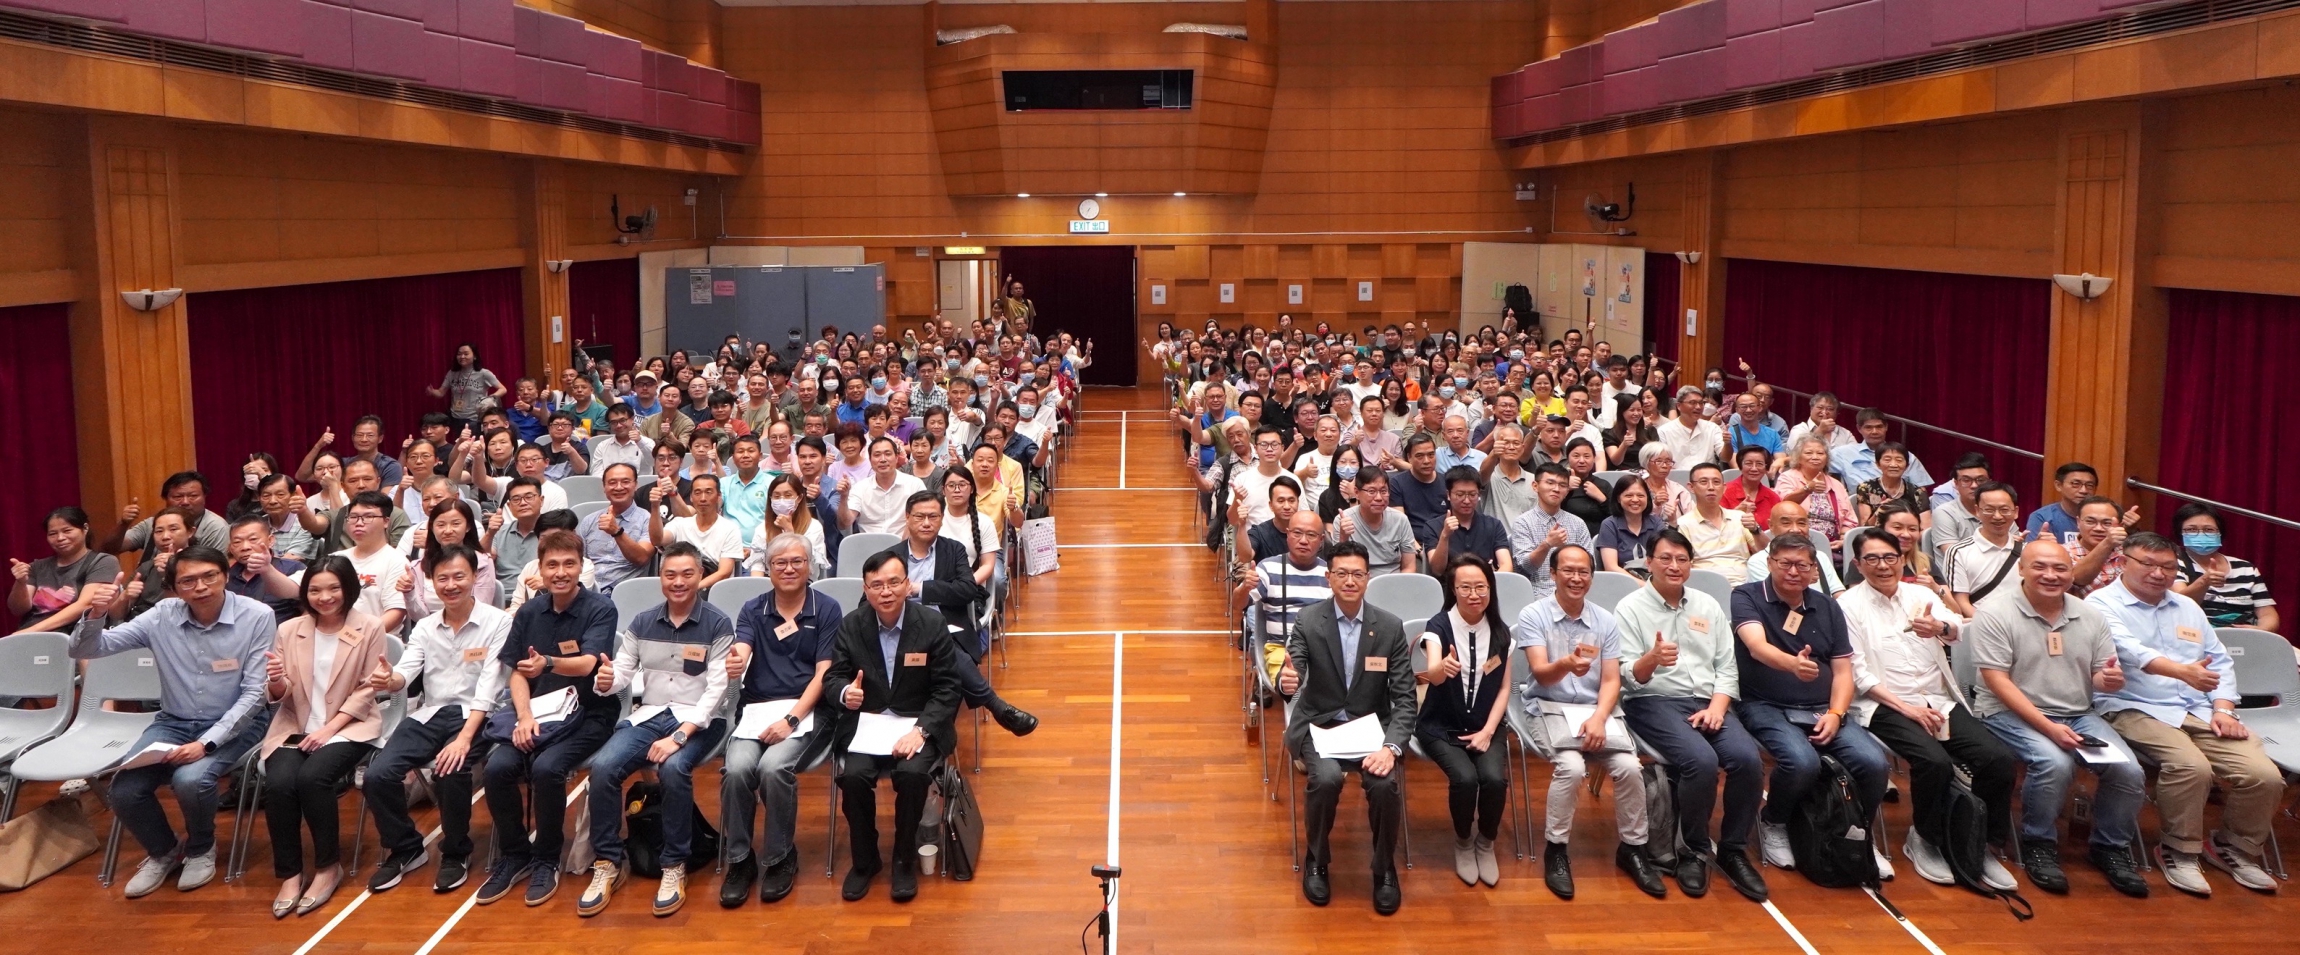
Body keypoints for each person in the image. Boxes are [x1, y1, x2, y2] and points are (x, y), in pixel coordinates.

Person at [67, 545, 272, 898]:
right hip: (175, 722)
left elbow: (255, 692)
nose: (201, 587)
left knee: (190, 779)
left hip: (237, 723)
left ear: (226, 575)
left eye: (210, 576)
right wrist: (96, 614)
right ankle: (165, 851)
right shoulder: (162, 614)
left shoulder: (257, 615)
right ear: (175, 588)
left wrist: (206, 743)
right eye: (188, 581)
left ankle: (201, 848)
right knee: (125, 790)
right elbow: (86, 650)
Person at [2090, 532, 2283, 895]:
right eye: (2148, 564)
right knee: (2191, 767)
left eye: (2167, 567)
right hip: (2134, 705)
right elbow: (2129, 651)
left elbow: (2219, 661)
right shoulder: (2100, 603)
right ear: (2124, 562)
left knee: (2263, 775)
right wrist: (2182, 672)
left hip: (2196, 708)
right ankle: (2179, 851)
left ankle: (2232, 847)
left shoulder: (2186, 606)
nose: (2158, 573)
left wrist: (2224, 709)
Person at [1838, 529, 2019, 889]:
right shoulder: (1848, 606)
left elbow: (1958, 626)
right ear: (1858, 564)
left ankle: (1980, 843)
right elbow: (1857, 674)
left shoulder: (1920, 594)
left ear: (1902, 559)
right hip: (1885, 703)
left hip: (1938, 700)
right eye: (1872, 559)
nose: (1883, 565)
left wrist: (1939, 626)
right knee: (1933, 762)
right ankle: (1924, 838)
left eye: (1890, 557)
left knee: (1998, 759)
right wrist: (1908, 709)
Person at [1970, 539, 2150, 898]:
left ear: (2072, 573)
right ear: (2022, 569)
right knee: (2054, 762)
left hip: (2077, 713)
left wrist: (2109, 680)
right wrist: (2049, 728)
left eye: (2060, 568)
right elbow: (1997, 682)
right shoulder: (1994, 613)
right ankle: (2038, 843)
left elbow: (2100, 675)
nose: (2051, 575)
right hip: (2008, 712)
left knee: (2128, 770)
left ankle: (2110, 847)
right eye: (2040, 567)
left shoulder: (2090, 614)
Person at [578, 544, 734, 918]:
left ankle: (674, 863)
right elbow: (622, 674)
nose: (678, 582)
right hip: (649, 715)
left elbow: (717, 691)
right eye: (670, 574)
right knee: (603, 768)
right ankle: (607, 861)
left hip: (700, 719)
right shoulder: (643, 622)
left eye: (687, 574)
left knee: (673, 769)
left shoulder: (717, 624)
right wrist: (605, 681)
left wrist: (680, 736)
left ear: (700, 576)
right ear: (660, 577)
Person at [1613, 530, 1769, 901]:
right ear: (1648, 563)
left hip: (1708, 701)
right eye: (1665, 558)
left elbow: (1726, 667)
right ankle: (1694, 850)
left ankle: (1732, 849)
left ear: (1691, 564)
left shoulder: (1707, 605)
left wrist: (1717, 707)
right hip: (1653, 700)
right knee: (1700, 761)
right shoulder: (1630, 608)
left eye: (1682, 559)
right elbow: (1627, 676)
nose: (1674, 566)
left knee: (1748, 761)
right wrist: (1652, 659)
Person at [472, 529, 620, 907]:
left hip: (589, 713)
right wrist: (523, 717)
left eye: (569, 564)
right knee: (497, 768)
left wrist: (549, 662)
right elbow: (518, 673)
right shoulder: (529, 611)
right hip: (538, 713)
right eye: (552, 565)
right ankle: (515, 854)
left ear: (581, 567)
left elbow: (587, 664)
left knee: (546, 768)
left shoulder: (600, 608)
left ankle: (547, 858)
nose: (560, 572)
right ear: (539, 569)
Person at [1730, 535, 1893, 878]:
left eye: (1803, 565)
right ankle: (1775, 821)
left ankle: (1858, 833)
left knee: (1874, 764)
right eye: (1786, 563)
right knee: (1801, 762)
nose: (1794, 571)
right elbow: (1756, 646)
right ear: (1770, 562)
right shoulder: (1746, 595)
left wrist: (1836, 713)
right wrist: (1792, 664)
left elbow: (1843, 670)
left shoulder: (1828, 606)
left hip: (1821, 706)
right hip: (1765, 703)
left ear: (1815, 569)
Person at [1516, 545, 1664, 899]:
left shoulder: (1604, 621)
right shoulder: (1533, 614)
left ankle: (1633, 848)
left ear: (1592, 578)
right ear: (1553, 574)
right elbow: (1541, 674)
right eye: (1568, 570)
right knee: (1570, 767)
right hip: (1548, 706)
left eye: (1583, 572)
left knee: (1630, 767)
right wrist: (1565, 665)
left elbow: (1611, 680)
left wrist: (1599, 717)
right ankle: (1556, 849)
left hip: (1595, 712)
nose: (1576, 578)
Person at [1276, 542, 1413, 915]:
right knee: (1326, 779)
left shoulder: (1389, 627)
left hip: (1371, 729)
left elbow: (1405, 699)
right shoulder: (1308, 620)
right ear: (1328, 577)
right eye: (1341, 573)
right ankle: (1317, 860)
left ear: (1368, 578)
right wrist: (1287, 681)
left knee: (1384, 785)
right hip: (1320, 725)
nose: (1349, 581)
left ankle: (1384, 868)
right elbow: (1293, 669)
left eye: (1357, 574)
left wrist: (1391, 748)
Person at [362, 546, 508, 895]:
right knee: (377, 775)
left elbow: (489, 688)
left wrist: (464, 739)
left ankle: (456, 852)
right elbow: (405, 672)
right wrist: (389, 680)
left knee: (450, 769)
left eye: (459, 576)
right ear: (431, 582)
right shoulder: (426, 626)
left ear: (474, 577)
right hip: (431, 712)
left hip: (479, 714)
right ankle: (406, 847)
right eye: (442, 578)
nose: (451, 585)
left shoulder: (498, 622)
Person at [825, 551, 964, 904]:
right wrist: (845, 693)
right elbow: (834, 677)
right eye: (876, 585)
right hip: (868, 725)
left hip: (918, 722)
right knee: (853, 777)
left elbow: (948, 688)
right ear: (865, 589)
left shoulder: (931, 624)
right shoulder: (852, 624)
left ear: (907, 584)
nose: (885, 592)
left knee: (913, 775)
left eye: (893, 583)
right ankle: (865, 861)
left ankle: (904, 858)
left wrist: (921, 731)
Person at [258, 557, 392, 918]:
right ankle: (290, 874)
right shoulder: (290, 629)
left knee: (312, 778)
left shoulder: (369, 627)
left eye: (334, 588)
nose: (325, 596)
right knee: (279, 783)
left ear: (348, 589)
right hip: (294, 725)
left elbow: (369, 688)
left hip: (348, 727)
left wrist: (329, 729)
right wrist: (275, 680)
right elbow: (281, 693)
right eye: (315, 590)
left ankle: (328, 867)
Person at [718, 533, 840, 907]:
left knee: (773, 769)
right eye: (780, 563)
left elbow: (824, 674)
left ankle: (780, 856)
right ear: (768, 568)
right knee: (737, 770)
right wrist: (737, 660)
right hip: (757, 709)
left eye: (797, 561)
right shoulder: (753, 608)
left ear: (809, 565)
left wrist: (791, 719)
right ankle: (740, 859)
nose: (788, 569)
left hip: (808, 711)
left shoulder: (826, 608)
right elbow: (742, 645)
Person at [884, 491, 1036, 736]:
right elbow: (868, 600)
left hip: (946, 626)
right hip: (900, 630)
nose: (926, 523)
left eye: (933, 516)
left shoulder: (953, 550)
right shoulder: (890, 557)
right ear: (907, 517)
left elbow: (966, 590)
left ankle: (929, 739)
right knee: (943, 652)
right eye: (920, 517)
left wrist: (921, 589)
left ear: (941, 519)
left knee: (942, 647)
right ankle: (995, 706)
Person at [1414, 555, 1513, 889]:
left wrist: (1488, 731)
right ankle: (1462, 841)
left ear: (1490, 589)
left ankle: (1485, 842)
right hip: (1440, 726)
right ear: (1453, 590)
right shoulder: (1438, 626)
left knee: (1494, 780)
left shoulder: (1501, 632)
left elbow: (1504, 688)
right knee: (1465, 779)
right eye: (1465, 587)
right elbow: (1432, 675)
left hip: (1486, 725)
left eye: (1481, 587)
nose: (1474, 594)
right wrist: (1442, 668)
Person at [1235, 511, 1330, 684]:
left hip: (1322, 650)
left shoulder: (1330, 573)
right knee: (1291, 685)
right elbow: (1237, 604)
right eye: (1297, 533)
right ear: (1287, 534)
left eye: (1311, 535)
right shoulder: (1268, 568)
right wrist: (1245, 587)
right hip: (1282, 648)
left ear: (1321, 540)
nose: (1303, 540)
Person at [10, 506, 122, 632]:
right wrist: (20, 583)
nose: (60, 538)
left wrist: (31, 631)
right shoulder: (37, 566)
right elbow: (17, 609)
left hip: (74, 635)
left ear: (85, 528)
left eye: (67, 531)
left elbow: (86, 605)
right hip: (31, 634)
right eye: (53, 534)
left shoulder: (103, 561)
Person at [2172, 502, 2279, 632]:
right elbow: (2179, 604)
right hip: (2198, 635)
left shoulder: (2246, 568)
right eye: (2191, 530)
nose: (2201, 535)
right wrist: (2204, 581)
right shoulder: (2173, 564)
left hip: (2244, 636)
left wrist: (2260, 631)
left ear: (2220, 533)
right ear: (2180, 533)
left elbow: (2267, 614)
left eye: (2209, 530)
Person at [1509, 464, 1593, 599]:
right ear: (1535, 486)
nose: (1556, 489)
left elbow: (1590, 564)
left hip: (1574, 591)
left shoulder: (1577, 523)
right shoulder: (1523, 522)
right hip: (1536, 593)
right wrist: (1547, 544)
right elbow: (1525, 567)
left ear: (1567, 490)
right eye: (1550, 483)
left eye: (1562, 485)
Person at [649, 473, 745, 589]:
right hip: (681, 584)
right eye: (697, 493)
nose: (703, 498)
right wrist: (655, 506)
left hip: (712, 588)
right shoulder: (679, 523)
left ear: (718, 496)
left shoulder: (730, 529)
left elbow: (724, 572)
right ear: (691, 497)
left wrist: (693, 588)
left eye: (708, 492)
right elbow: (657, 540)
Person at [1944, 482, 2025, 619]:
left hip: (2021, 621)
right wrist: (1987, 624)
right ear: (1977, 511)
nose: (1997, 516)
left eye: (2004, 510)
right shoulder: (1959, 552)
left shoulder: (2027, 551)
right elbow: (1960, 601)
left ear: (2016, 512)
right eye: (1989, 510)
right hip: (1979, 622)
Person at [100, 470, 230, 555]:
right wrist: (124, 524)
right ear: (165, 499)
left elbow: (214, 567)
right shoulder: (153, 523)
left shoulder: (215, 526)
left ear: (204, 497)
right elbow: (110, 549)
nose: (185, 502)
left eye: (193, 496)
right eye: (178, 497)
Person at [1677, 464, 1760, 585]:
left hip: (1744, 583)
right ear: (1691, 487)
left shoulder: (1739, 517)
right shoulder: (1683, 524)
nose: (1711, 487)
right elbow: (1684, 564)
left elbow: (1764, 553)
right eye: (1704, 482)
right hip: (1706, 585)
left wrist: (1756, 530)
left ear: (1724, 487)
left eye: (1716, 482)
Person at [580, 464, 655, 591]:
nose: (619, 487)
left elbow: (642, 558)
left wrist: (617, 532)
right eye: (612, 482)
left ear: (636, 485)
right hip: (589, 591)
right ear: (604, 487)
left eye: (625, 482)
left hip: (625, 593)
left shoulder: (647, 519)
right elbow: (580, 562)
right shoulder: (589, 520)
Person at [1743, 501, 1844, 594]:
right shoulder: (1758, 561)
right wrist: (1803, 580)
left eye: (1801, 523)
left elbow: (1838, 593)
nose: (1795, 530)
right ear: (1771, 526)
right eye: (1786, 523)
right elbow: (1772, 601)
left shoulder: (1820, 557)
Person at [1331, 469, 1418, 577]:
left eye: (1383, 491)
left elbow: (1409, 567)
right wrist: (1344, 537)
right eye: (1371, 491)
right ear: (1357, 493)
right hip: (1357, 581)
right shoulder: (1343, 520)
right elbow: (1338, 567)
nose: (1379, 498)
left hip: (1393, 581)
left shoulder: (1400, 520)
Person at [1775, 436, 1855, 550]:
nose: (1815, 457)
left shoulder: (1836, 485)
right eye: (1809, 453)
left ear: (1826, 458)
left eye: (1820, 453)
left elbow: (1849, 519)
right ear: (1798, 457)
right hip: (1795, 540)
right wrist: (1807, 489)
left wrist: (1843, 540)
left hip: (1831, 545)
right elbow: (1783, 504)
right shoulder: (1787, 477)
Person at [1428, 466, 1513, 573]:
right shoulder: (1433, 526)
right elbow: (1437, 570)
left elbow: (1506, 565)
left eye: (1472, 495)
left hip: (1486, 582)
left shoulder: (1494, 525)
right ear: (1448, 495)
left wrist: (1489, 581)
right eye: (1460, 495)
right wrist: (1445, 536)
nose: (1467, 501)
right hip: (1449, 583)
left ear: (1479, 494)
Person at [839, 436, 928, 537]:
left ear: (896, 457)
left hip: (904, 542)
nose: (883, 460)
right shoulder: (860, 488)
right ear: (870, 460)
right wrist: (844, 497)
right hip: (868, 544)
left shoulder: (915, 485)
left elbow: (922, 519)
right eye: (877, 455)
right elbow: (845, 523)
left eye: (888, 454)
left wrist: (903, 544)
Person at [225, 514, 306, 623]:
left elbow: (309, 610)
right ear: (230, 548)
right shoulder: (226, 574)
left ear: (270, 540)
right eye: (237, 542)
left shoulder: (292, 568)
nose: (245, 547)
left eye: (253, 539)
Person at [1923, 453, 1993, 577]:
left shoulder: (1998, 510)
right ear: (1955, 484)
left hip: (1993, 575)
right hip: (1956, 580)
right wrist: (1999, 546)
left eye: (1980, 480)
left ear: (1989, 482)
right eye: (1966, 480)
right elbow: (1956, 556)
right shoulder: (1944, 513)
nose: (1974, 485)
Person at [1830, 408, 1934, 489]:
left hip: (1899, 506)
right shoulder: (1843, 453)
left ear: (1886, 427)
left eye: (1879, 427)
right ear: (1859, 429)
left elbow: (1921, 489)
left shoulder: (1906, 456)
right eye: (1868, 427)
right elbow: (1820, 464)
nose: (1874, 431)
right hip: (1858, 506)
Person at [1853, 442, 1931, 530]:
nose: (1893, 465)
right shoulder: (1866, 488)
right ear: (1878, 464)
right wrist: (1879, 512)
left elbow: (1925, 528)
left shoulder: (1918, 492)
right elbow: (1864, 528)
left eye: (1899, 460)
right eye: (1887, 460)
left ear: (1907, 466)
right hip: (1877, 536)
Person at [1595, 478, 1661, 576]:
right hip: (1622, 581)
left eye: (1640, 495)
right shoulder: (1609, 525)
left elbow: (1664, 558)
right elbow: (1611, 567)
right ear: (1618, 498)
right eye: (1629, 495)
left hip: (1654, 578)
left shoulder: (1656, 522)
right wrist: (1641, 583)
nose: (1635, 500)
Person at [2024, 462, 2101, 544]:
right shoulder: (2042, 517)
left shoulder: (2104, 517)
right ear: (2058, 485)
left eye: (2089, 485)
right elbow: (2032, 550)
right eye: (2076, 484)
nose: (2083, 490)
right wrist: (2041, 545)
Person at [1657, 386, 1726, 467]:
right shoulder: (1664, 431)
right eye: (1692, 403)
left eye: (1701, 403)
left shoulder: (1712, 428)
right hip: (1676, 474)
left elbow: (1725, 458)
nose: (1698, 407)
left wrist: (1727, 444)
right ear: (1679, 406)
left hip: (1706, 473)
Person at [1719, 446, 1780, 527]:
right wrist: (1736, 512)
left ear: (1766, 468)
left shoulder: (1773, 497)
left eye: (1759, 464)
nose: (1754, 468)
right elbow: (1714, 527)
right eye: (1748, 463)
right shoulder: (1723, 492)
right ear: (1740, 466)